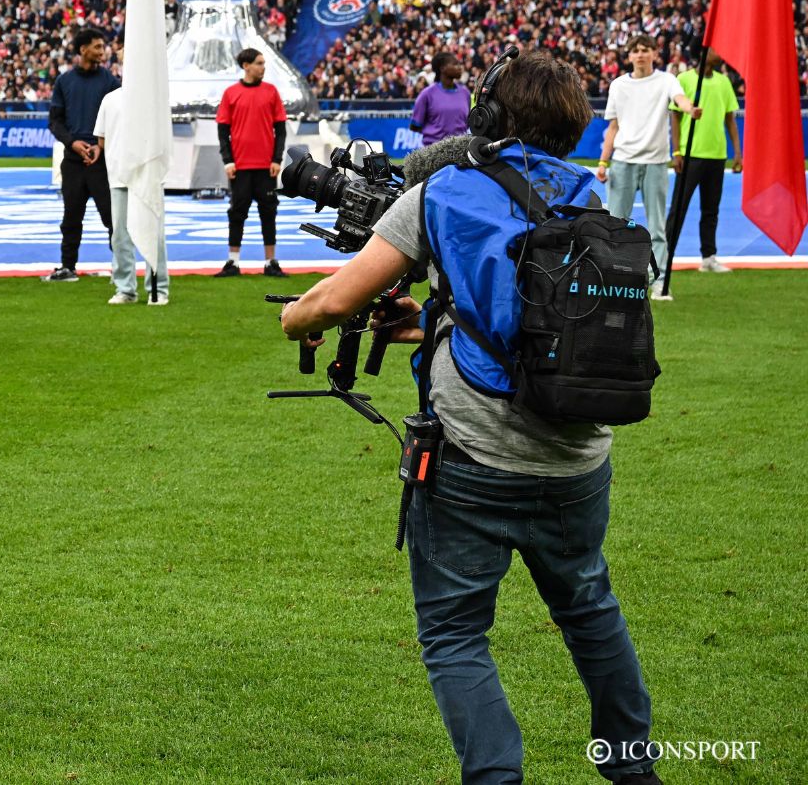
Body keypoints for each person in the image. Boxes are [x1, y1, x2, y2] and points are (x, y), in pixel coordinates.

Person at [279, 49, 660, 785]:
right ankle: (633, 767)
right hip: (580, 457)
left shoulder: (447, 192)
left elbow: (331, 301)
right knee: (590, 608)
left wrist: (295, 319)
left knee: (455, 633)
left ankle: (495, 778)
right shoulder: (594, 198)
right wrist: (431, 322)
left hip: (473, 458)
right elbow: (543, 322)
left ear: (487, 116)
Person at [596, 35, 699, 296]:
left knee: (657, 228)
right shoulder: (618, 85)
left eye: (645, 50)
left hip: (654, 163)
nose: (641, 55)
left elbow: (680, 99)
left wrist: (690, 110)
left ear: (654, 54)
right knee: (616, 224)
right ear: (629, 56)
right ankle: (614, 276)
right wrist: (603, 162)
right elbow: (613, 126)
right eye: (636, 51)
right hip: (622, 161)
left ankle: (659, 282)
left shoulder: (667, 80)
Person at [47, 27, 119, 281]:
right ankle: (67, 267)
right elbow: (55, 121)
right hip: (74, 161)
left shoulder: (111, 82)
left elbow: (118, 119)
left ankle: (121, 267)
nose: (103, 51)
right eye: (98, 46)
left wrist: (101, 145)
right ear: (83, 50)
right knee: (71, 217)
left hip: (102, 162)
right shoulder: (64, 81)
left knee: (112, 216)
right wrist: (72, 143)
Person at [91, 80, 168, 307]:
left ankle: (158, 288)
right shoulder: (110, 99)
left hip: (148, 177)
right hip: (120, 176)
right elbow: (102, 139)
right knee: (121, 235)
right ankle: (126, 288)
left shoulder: (154, 99)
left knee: (153, 234)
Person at [216, 47, 287, 278]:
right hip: (240, 167)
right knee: (237, 213)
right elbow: (222, 130)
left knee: (269, 213)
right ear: (246, 66)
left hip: (266, 167)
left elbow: (281, 129)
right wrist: (228, 161)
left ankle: (270, 262)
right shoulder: (230, 93)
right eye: (259, 63)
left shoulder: (271, 92)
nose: (262, 67)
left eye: (263, 63)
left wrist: (277, 158)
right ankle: (233, 262)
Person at [671, 49, 742, 275]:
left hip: (717, 155)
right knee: (678, 209)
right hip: (690, 154)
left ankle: (709, 257)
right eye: (715, 49)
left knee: (711, 210)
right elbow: (675, 116)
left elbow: (730, 120)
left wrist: (738, 153)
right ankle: (664, 257)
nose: (720, 53)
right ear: (703, 52)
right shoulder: (684, 79)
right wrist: (676, 152)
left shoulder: (724, 81)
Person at [411, 52, 471, 146]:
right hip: (433, 152)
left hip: (460, 151)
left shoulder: (465, 93)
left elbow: (466, 123)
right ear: (442, 68)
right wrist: (435, 135)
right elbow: (415, 125)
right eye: (455, 64)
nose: (460, 67)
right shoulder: (427, 94)